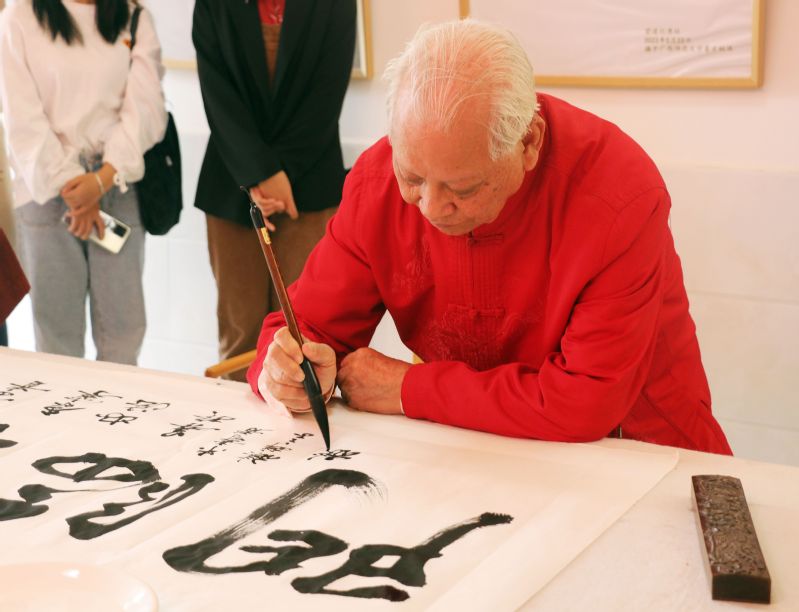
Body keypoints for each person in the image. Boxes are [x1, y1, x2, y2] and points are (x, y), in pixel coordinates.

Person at [247, 19, 732, 454]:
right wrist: (286, 373)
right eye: (412, 178)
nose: (430, 208)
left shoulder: (616, 194)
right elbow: (305, 327)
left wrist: (407, 388)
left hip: (634, 449)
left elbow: (585, 402)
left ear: (528, 143)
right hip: (474, 452)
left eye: (463, 188)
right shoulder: (377, 182)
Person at [192, 0, 356, 381]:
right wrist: (259, 174)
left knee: (305, 332)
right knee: (240, 336)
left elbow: (326, 96)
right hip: (233, 181)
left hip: (308, 187)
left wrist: (277, 176)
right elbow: (218, 96)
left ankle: (302, 419)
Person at [0, 0, 167, 364]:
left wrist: (101, 180)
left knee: (123, 332)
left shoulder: (133, 15)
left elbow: (147, 109)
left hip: (117, 185)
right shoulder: (19, 17)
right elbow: (21, 119)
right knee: (56, 338)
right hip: (45, 191)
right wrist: (77, 190)